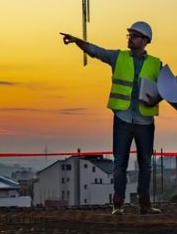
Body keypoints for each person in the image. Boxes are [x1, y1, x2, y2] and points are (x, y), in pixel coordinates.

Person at [60, 21, 163, 215]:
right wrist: (77, 41)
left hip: (144, 121)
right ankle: (118, 204)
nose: (130, 39)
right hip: (123, 118)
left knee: (146, 164)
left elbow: (167, 88)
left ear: (145, 40)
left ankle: (145, 204)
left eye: (134, 36)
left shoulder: (156, 64)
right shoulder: (118, 57)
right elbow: (96, 51)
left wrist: (156, 98)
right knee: (120, 163)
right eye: (129, 35)